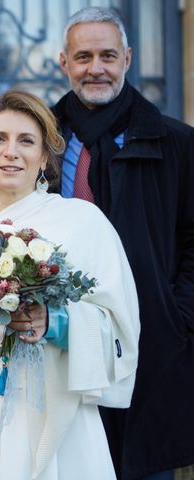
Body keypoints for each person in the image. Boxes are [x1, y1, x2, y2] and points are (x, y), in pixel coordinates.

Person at [0, 90, 140, 480]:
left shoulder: (83, 221)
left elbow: (121, 324)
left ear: (44, 158)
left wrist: (53, 321)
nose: (11, 152)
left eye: (26, 141)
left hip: (59, 404)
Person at [52, 7, 194, 479]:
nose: (96, 68)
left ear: (128, 58)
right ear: (63, 62)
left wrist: (176, 319)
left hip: (149, 358)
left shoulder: (178, 145)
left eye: (108, 55)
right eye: (84, 56)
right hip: (58, 356)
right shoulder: (39, 143)